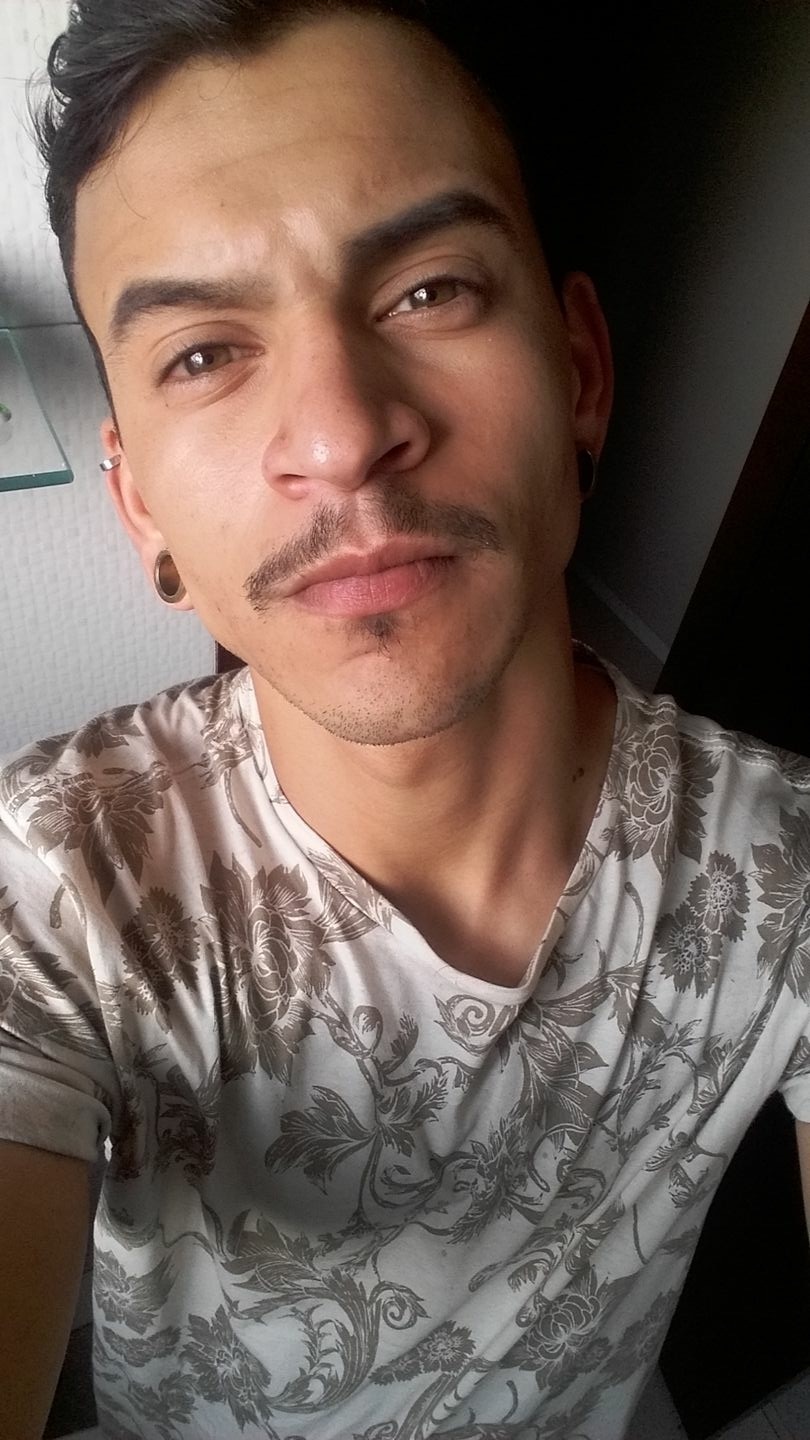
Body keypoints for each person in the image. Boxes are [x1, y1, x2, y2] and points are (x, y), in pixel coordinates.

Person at [1, 2, 808, 1437]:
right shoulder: (63, 888)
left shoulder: (784, 872)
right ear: (141, 509)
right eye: (203, 354)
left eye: (429, 290)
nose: (340, 436)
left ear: (580, 374)